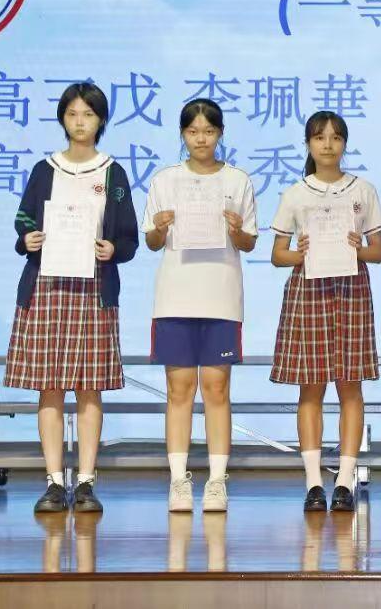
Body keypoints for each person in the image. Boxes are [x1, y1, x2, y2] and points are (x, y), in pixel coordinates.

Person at [5, 82, 139, 515]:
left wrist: (113, 249)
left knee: (89, 386)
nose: (80, 122)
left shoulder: (112, 173)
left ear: (101, 120)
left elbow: (129, 237)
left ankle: (85, 481)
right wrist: (28, 239)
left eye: (89, 114)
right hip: (46, 287)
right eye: (73, 114)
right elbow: (23, 220)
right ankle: (52, 481)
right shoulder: (45, 169)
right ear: (62, 118)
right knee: (49, 387)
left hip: (94, 288)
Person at [142, 99, 258, 513]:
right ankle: (178, 481)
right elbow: (151, 242)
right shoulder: (165, 180)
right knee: (179, 390)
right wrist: (159, 229)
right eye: (193, 132)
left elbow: (249, 242)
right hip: (175, 297)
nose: (201, 139)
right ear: (183, 135)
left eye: (209, 131)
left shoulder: (237, 180)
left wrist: (236, 230)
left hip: (221, 297)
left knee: (216, 388)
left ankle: (217, 481)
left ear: (220, 133)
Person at [270, 111, 381, 513]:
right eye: (320, 138)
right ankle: (314, 483)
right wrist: (299, 253)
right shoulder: (295, 193)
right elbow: (277, 255)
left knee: (350, 385)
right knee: (311, 387)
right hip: (308, 290)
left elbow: (378, 252)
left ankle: (344, 481)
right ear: (308, 144)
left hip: (351, 290)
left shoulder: (363, 190)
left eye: (336, 138)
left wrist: (358, 248)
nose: (328, 145)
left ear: (345, 144)